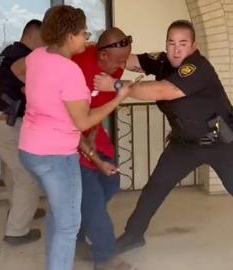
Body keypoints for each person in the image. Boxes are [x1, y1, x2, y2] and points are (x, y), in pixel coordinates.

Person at [94, 20, 233, 270]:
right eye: (171, 43)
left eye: (182, 44)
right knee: (156, 187)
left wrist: (117, 86)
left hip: (222, 145)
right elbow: (128, 59)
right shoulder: (162, 61)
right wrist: (97, 48)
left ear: (193, 46)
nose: (176, 50)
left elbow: (165, 91)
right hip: (184, 145)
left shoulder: (198, 67)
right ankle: (134, 235)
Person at [12, 5, 130, 270]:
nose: (86, 36)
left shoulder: (38, 56)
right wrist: (120, 97)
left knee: (59, 213)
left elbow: (18, 70)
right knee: (68, 226)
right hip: (56, 155)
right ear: (69, 37)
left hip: (30, 149)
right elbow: (84, 121)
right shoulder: (69, 71)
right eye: (82, 32)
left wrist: (38, 95)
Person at [72, 28, 134, 270]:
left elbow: (119, 89)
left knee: (111, 183)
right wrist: (96, 159)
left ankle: (76, 234)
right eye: (119, 60)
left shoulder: (114, 68)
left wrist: (117, 83)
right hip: (69, 137)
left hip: (94, 132)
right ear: (103, 55)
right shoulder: (77, 66)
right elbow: (71, 122)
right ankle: (106, 257)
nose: (123, 65)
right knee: (92, 197)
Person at [0, 19, 45, 246]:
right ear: (32, 36)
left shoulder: (7, 52)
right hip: (6, 121)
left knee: (12, 171)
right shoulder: (21, 56)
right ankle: (17, 231)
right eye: (43, 40)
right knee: (26, 174)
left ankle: (21, 210)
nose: (44, 46)